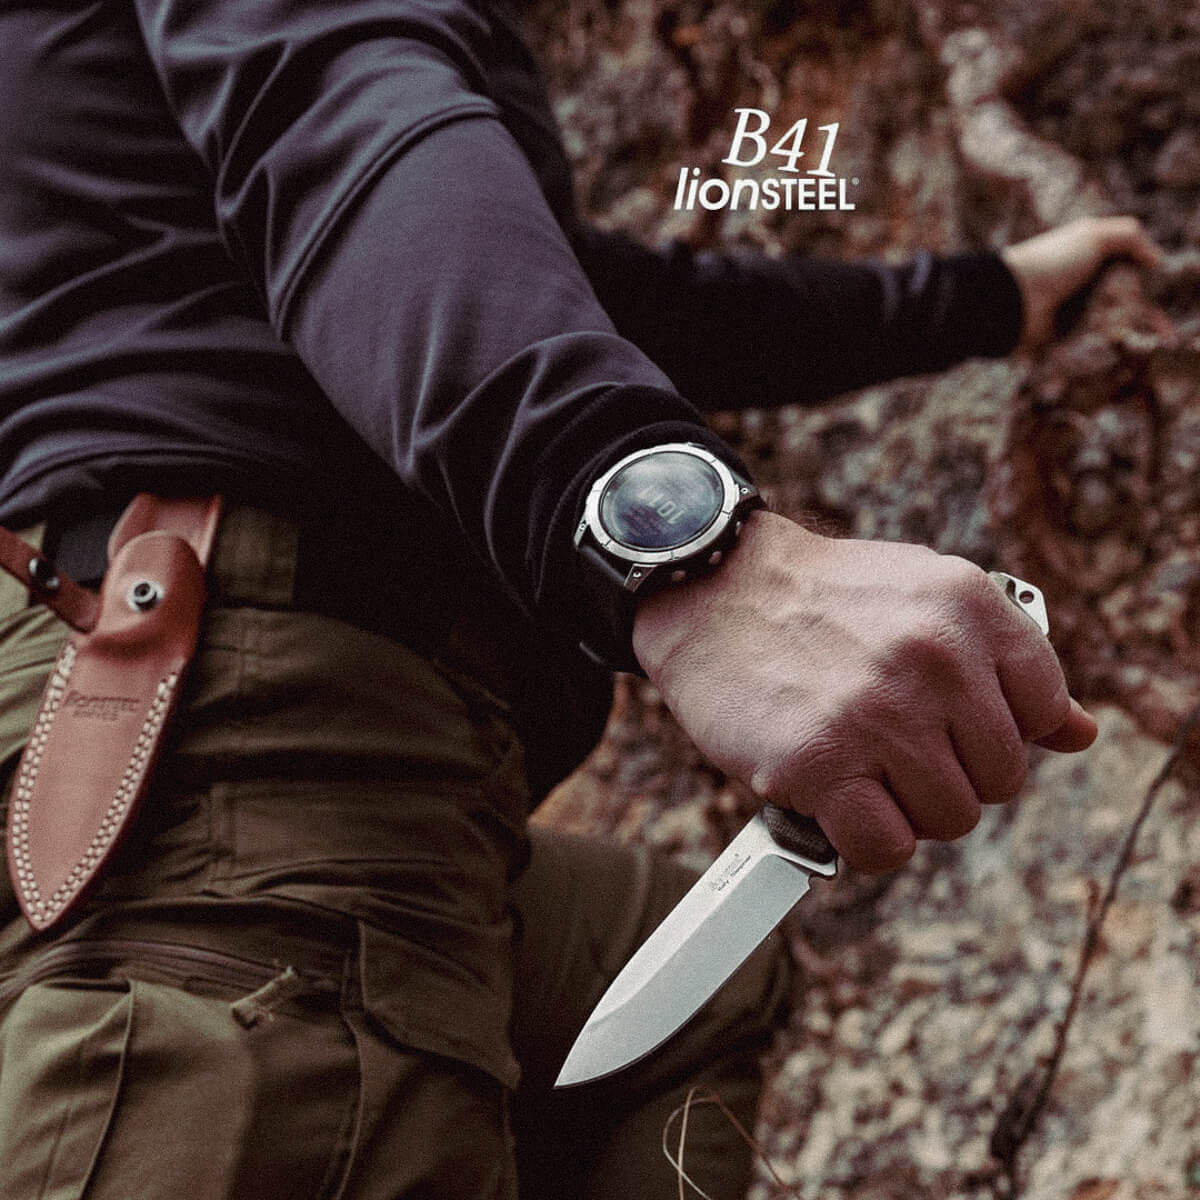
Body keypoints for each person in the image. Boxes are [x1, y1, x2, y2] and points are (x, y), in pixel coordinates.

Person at [0, 2, 1160, 1197]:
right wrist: (681, 549)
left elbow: (556, 282)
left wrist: (981, 300)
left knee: (700, 997)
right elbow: (340, 129)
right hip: (231, 721)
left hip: (308, 730)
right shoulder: (333, 109)